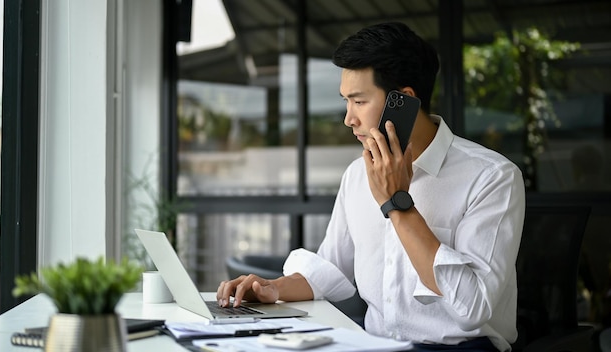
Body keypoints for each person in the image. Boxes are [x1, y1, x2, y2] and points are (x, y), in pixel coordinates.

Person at [216, 22, 525, 352]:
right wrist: (271, 289)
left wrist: (397, 203)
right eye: (345, 101)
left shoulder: (492, 177)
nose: (348, 119)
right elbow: (332, 267)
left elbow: (473, 309)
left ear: (403, 101)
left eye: (359, 102)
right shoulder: (357, 175)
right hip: (373, 344)